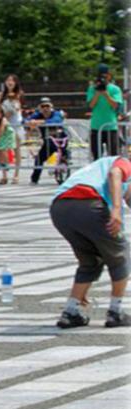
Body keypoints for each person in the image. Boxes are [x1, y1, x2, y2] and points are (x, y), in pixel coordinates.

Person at [50, 156, 131, 328]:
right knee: (120, 255)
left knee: (90, 261)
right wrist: (116, 210)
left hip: (59, 209)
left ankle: (71, 311)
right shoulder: (123, 161)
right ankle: (116, 312)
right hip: (87, 202)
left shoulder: (96, 168)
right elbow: (115, 174)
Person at [25, 96, 68, 185]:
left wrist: (39, 122)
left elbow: (56, 120)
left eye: (47, 106)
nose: (45, 109)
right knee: (39, 159)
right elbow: (25, 120)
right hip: (48, 143)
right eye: (43, 106)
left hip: (61, 140)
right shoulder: (37, 115)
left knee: (65, 156)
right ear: (39, 108)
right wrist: (30, 122)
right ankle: (34, 179)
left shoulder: (56, 113)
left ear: (51, 107)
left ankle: (65, 172)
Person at [86, 63, 123, 160]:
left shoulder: (115, 89)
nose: (102, 78)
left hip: (111, 127)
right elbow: (91, 105)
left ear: (109, 76)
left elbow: (115, 105)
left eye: (104, 76)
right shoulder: (92, 88)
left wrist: (106, 94)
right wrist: (98, 93)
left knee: (113, 156)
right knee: (97, 156)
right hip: (96, 127)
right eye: (100, 76)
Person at [0, 74, 24, 184]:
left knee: (16, 149)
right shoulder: (1, 95)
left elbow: (18, 109)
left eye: (12, 80)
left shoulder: (19, 95)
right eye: (8, 80)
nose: (10, 82)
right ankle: (4, 174)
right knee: (3, 148)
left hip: (15, 123)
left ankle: (16, 174)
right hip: (4, 123)